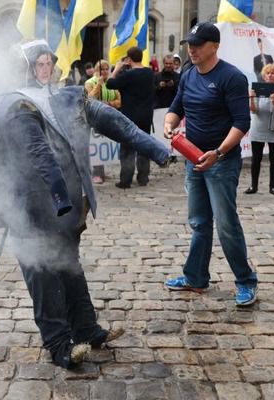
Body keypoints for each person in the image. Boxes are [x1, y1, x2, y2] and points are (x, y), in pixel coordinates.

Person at [0, 39, 174, 369]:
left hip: (67, 205)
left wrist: (157, 150)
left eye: (48, 63)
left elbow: (115, 121)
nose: (46, 69)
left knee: (69, 265)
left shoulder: (68, 98)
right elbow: (39, 153)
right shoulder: (14, 105)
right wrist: (59, 198)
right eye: (38, 63)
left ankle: (85, 328)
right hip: (28, 208)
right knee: (43, 274)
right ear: (24, 67)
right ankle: (58, 345)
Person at [162, 22, 258, 306]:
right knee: (199, 222)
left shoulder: (232, 78)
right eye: (190, 44)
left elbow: (242, 123)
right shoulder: (189, 74)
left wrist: (218, 151)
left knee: (226, 224)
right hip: (193, 159)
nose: (192, 49)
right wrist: (170, 125)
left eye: (198, 44)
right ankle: (195, 277)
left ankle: (245, 281)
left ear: (214, 46)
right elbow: (176, 108)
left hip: (222, 162)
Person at [106, 47, 156, 188]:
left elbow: (110, 84)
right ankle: (143, 178)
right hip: (146, 116)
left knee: (127, 150)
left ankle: (126, 180)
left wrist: (116, 69)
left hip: (129, 117)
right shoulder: (149, 73)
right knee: (144, 147)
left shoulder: (128, 76)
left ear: (129, 59)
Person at [245, 64, 274, 196]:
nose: (270, 75)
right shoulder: (258, 88)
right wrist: (251, 98)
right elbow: (253, 110)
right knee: (256, 159)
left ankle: (273, 187)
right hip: (259, 128)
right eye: (268, 73)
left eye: (273, 73)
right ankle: (253, 186)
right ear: (264, 76)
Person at [85, 59, 121, 184]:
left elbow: (119, 101)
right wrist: (99, 85)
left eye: (107, 69)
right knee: (97, 144)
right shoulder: (90, 82)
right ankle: (97, 172)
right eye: (102, 69)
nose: (105, 71)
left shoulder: (112, 82)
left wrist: (110, 103)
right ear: (96, 71)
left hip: (110, 116)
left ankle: (103, 170)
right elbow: (90, 98)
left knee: (106, 144)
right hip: (95, 118)